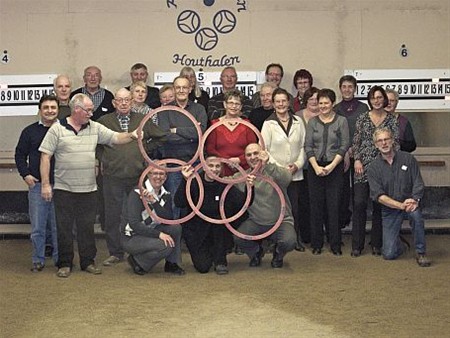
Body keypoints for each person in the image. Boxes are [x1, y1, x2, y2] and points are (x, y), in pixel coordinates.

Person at [39, 93, 141, 278]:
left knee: (86, 228)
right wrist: (46, 184)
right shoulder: (57, 129)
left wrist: (133, 135)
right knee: (64, 228)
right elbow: (45, 156)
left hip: (88, 190)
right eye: (88, 110)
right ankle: (65, 263)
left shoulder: (94, 128)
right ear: (77, 110)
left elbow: (116, 138)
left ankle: (88, 262)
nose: (91, 113)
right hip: (64, 189)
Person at [97, 88, 166, 267]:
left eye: (127, 99)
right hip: (113, 176)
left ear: (132, 101)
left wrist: (145, 150)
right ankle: (115, 252)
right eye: (119, 100)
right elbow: (94, 143)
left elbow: (161, 136)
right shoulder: (104, 121)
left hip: (137, 177)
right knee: (113, 215)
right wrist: (103, 158)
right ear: (114, 103)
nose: (124, 103)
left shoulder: (142, 120)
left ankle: (136, 247)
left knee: (138, 215)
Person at [367, 128, 431, 267]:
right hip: (390, 209)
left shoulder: (408, 159)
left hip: (411, 204)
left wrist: (415, 200)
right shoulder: (373, 167)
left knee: (416, 216)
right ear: (375, 145)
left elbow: (418, 182)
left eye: (386, 139)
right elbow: (380, 197)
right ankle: (400, 244)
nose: (384, 143)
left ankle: (421, 252)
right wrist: (400, 205)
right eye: (380, 141)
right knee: (389, 254)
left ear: (393, 141)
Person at [174, 156, 248, 275]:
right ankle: (210, 252)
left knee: (219, 220)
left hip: (217, 231)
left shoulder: (225, 184)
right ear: (203, 166)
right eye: (211, 165)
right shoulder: (194, 183)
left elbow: (243, 203)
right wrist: (185, 181)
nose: (214, 169)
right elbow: (179, 202)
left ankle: (220, 261)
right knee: (203, 267)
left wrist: (251, 187)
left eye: (217, 166)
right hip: (197, 231)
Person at [352, 86, 399, 257]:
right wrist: (357, 159)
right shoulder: (362, 118)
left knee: (379, 206)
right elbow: (356, 142)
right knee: (359, 204)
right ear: (369, 100)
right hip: (362, 168)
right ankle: (357, 245)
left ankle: (376, 244)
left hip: (383, 169)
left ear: (384, 100)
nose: (377, 100)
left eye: (379, 97)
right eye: (373, 98)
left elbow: (397, 144)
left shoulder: (391, 120)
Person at [232, 143, 297, 268]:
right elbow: (223, 182)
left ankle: (278, 254)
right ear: (245, 158)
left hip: (281, 221)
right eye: (249, 155)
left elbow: (287, 177)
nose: (253, 157)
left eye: (256, 153)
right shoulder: (242, 176)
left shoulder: (273, 171)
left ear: (262, 153)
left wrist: (267, 164)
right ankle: (256, 252)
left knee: (289, 241)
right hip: (256, 221)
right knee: (238, 237)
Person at [15, 95, 59, 272]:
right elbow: (19, 154)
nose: (50, 110)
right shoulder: (29, 131)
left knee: (58, 227)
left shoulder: (64, 130)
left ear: (58, 110)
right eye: (46, 107)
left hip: (61, 186)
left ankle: (59, 259)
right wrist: (25, 174)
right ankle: (38, 259)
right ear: (40, 110)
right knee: (38, 227)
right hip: (37, 186)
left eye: (53, 107)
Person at [305, 89, 350, 255]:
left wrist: (331, 166)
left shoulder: (341, 121)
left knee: (334, 206)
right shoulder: (312, 122)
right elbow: (308, 146)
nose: (323, 106)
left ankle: (335, 243)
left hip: (335, 167)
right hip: (314, 167)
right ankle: (317, 244)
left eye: (326, 103)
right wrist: (316, 167)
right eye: (320, 103)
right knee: (316, 206)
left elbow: (344, 145)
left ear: (332, 104)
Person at [261, 88, 307, 252]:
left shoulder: (298, 122)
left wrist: (296, 165)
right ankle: (274, 241)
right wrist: (280, 170)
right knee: (275, 209)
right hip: (275, 175)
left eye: (283, 101)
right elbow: (264, 150)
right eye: (277, 101)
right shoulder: (268, 124)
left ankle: (295, 239)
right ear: (273, 104)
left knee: (295, 208)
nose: (281, 104)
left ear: (289, 102)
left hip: (295, 173)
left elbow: (303, 146)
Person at [158, 76, 208, 218]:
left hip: (196, 162)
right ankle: (174, 237)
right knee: (175, 202)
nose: (181, 90)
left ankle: (195, 238)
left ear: (190, 89)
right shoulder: (165, 111)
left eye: (184, 87)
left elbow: (200, 133)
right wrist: (190, 132)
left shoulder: (199, 109)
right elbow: (165, 136)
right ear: (174, 89)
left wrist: (176, 130)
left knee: (198, 200)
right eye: (178, 87)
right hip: (174, 163)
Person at [121, 165, 184, 275]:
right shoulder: (137, 193)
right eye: (155, 173)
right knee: (165, 246)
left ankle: (172, 263)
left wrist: (154, 202)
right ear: (148, 175)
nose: (158, 177)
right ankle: (138, 261)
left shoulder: (166, 194)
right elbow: (134, 224)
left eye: (161, 174)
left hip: (150, 231)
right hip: (132, 237)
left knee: (175, 228)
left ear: (165, 177)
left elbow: (168, 219)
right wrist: (159, 234)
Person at [334, 75, 370, 228]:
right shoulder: (335, 109)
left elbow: (366, 133)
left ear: (355, 89)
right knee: (341, 193)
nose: (347, 89)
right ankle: (342, 223)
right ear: (340, 89)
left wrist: (354, 151)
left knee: (359, 196)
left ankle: (358, 227)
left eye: (350, 86)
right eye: (344, 86)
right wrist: (345, 152)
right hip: (341, 156)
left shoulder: (364, 108)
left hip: (360, 157)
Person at [206, 89, 257, 177]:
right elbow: (210, 149)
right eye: (230, 103)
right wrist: (227, 161)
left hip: (244, 171)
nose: (234, 106)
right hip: (221, 171)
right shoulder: (215, 124)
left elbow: (254, 148)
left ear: (241, 107)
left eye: (237, 104)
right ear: (224, 104)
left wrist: (239, 160)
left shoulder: (247, 125)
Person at [294, 87, 320, 246]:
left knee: (317, 202)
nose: (314, 102)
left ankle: (317, 235)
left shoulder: (326, 116)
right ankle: (305, 235)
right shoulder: (297, 116)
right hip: (302, 166)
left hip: (321, 164)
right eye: (311, 99)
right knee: (303, 202)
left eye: (317, 99)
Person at [385, 88, 417, 152]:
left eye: (392, 100)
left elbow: (411, 145)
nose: (389, 103)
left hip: (399, 159)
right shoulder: (374, 120)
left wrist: (395, 145)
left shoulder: (404, 121)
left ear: (396, 103)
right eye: (386, 100)